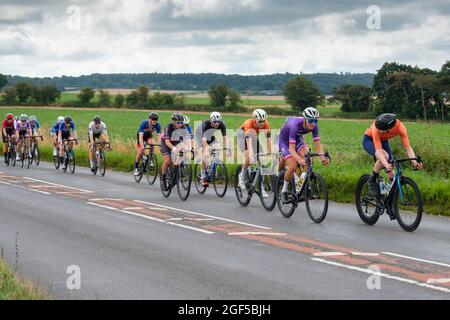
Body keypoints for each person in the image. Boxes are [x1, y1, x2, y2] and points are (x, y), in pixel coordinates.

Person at [363, 113, 423, 195]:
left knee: (391, 171)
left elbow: (408, 148)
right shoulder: (376, 129)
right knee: (385, 157)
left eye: (381, 129)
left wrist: (414, 162)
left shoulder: (400, 128)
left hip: (383, 141)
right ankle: (372, 179)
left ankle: (386, 194)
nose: (379, 130)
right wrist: (386, 164)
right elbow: (379, 151)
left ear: (389, 128)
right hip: (369, 140)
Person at [278, 107, 329, 202]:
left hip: (297, 139)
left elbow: (318, 144)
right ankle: (284, 191)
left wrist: (322, 158)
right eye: (311, 120)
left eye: (315, 120)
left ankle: (301, 186)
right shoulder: (294, 125)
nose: (313, 123)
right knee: (293, 165)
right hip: (284, 141)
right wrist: (299, 159)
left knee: (306, 156)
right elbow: (291, 149)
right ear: (305, 119)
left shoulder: (314, 126)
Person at [236, 109, 273, 190]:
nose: (262, 123)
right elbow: (248, 143)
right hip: (242, 137)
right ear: (255, 120)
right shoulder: (248, 124)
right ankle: (241, 176)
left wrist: (271, 153)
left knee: (262, 159)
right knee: (249, 157)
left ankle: (261, 185)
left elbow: (268, 140)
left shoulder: (266, 124)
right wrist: (251, 155)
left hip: (254, 137)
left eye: (263, 121)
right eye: (260, 121)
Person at [194, 111, 228, 187]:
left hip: (210, 136)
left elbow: (224, 137)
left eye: (218, 122)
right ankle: (202, 177)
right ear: (211, 120)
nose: (217, 124)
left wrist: (226, 147)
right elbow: (203, 140)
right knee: (205, 154)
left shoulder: (222, 124)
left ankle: (212, 166)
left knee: (218, 148)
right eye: (215, 122)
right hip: (200, 136)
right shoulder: (205, 124)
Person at [160, 113, 191, 190]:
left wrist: (188, 147)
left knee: (178, 160)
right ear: (173, 122)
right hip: (166, 142)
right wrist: (173, 148)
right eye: (178, 123)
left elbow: (187, 139)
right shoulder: (168, 127)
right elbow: (167, 142)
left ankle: (173, 174)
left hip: (175, 141)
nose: (180, 124)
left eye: (181, 122)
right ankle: (163, 179)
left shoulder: (184, 127)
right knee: (167, 161)